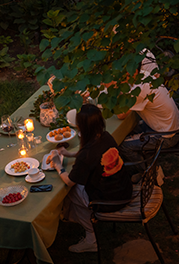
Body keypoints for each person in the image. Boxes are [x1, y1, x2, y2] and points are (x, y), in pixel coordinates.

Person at [52, 104, 133, 253]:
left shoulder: (86, 155)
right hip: (124, 189)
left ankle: (90, 238)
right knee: (77, 188)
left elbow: (70, 180)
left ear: (83, 128)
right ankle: (72, 217)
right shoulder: (105, 136)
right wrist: (70, 154)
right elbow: (93, 154)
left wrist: (58, 165)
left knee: (70, 190)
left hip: (108, 201)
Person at [116, 51, 179, 162]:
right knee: (128, 129)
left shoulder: (139, 90)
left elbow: (120, 115)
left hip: (166, 136)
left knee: (124, 145)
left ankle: (148, 173)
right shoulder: (145, 76)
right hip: (171, 126)